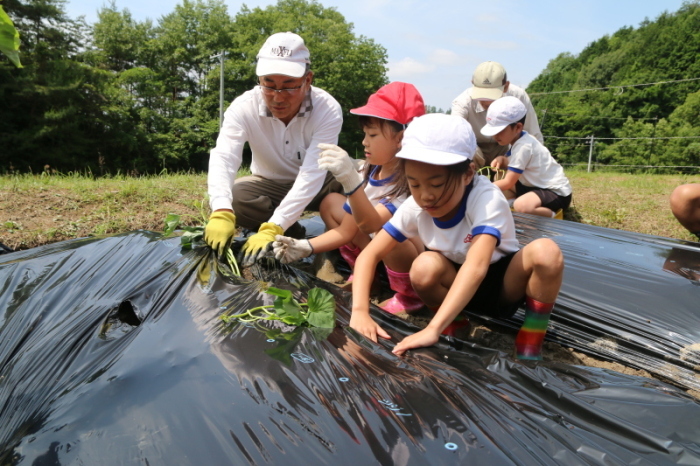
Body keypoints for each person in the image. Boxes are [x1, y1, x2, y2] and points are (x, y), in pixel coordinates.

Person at [348, 113, 564, 360]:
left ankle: (531, 336)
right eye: (415, 185)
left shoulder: (486, 198)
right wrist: (360, 311)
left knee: (546, 251)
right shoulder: (415, 206)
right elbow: (370, 254)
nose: (426, 195)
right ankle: (456, 324)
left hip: (502, 287)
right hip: (453, 287)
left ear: (468, 173)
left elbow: (476, 266)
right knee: (423, 267)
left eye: (437, 184)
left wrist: (432, 329)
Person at [272, 82, 426, 313]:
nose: (364, 141)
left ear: (401, 138)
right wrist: (305, 246)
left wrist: (352, 184)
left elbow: (371, 223)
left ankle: (408, 296)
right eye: (365, 133)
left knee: (390, 233)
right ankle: (368, 276)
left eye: (372, 134)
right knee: (332, 203)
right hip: (376, 247)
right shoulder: (372, 170)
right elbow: (347, 229)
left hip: (409, 257)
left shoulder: (409, 182)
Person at [204, 32, 343, 266]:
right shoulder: (243, 107)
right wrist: (221, 209)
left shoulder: (326, 109)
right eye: (269, 85)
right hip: (271, 184)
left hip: (322, 183)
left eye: (289, 86)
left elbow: (312, 173)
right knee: (238, 197)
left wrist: (274, 225)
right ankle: (293, 234)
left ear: (308, 80)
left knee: (358, 179)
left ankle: (333, 249)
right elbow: (224, 157)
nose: (277, 97)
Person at [481, 96, 572, 218]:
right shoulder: (518, 139)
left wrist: (481, 188)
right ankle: (515, 204)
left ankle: (552, 216)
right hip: (533, 186)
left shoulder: (524, 146)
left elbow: (508, 182)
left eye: (500, 130)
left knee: (522, 206)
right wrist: (502, 159)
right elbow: (512, 162)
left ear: (518, 127)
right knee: (499, 187)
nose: (495, 135)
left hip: (555, 193)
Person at [451, 61, 543, 169]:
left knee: (523, 147)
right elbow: (454, 137)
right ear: (472, 84)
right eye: (481, 95)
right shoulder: (462, 102)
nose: (486, 101)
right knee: (464, 147)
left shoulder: (518, 96)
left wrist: (536, 168)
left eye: (491, 95)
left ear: (506, 87)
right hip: (475, 150)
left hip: (506, 149)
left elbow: (532, 135)